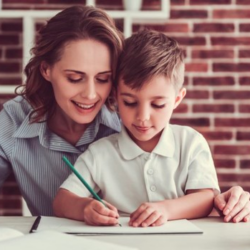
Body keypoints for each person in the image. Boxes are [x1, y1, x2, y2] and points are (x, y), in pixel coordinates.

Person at [0, 6, 249, 222]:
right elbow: (63, 201)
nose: (90, 94)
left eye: (103, 79)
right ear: (46, 70)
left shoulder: (137, 121)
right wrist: (85, 208)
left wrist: (223, 200)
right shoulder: (14, 121)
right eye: (74, 78)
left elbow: (200, 195)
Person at [53, 29, 249, 227]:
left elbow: (206, 198)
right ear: (115, 96)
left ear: (177, 99)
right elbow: (62, 201)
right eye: (129, 102)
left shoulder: (190, 142)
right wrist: (85, 208)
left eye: (157, 105)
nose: (143, 117)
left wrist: (165, 209)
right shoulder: (100, 152)